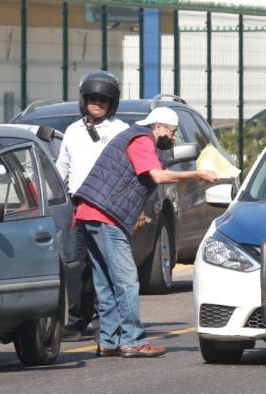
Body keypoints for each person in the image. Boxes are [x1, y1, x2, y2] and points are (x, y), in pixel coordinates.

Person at [73, 107, 218, 358]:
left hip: (89, 213)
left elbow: (130, 180)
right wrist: (196, 174)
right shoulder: (142, 139)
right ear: (158, 127)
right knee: (127, 281)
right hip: (105, 216)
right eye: (171, 132)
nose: (172, 138)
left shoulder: (133, 136)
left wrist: (137, 212)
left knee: (106, 281)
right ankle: (132, 340)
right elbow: (157, 176)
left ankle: (109, 340)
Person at [56, 71, 126, 339]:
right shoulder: (73, 131)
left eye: (103, 99)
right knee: (79, 265)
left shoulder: (120, 131)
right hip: (78, 205)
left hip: (109, 207)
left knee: (107, 265)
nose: (97, 103)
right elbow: (62, 168)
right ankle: (75, 319)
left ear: (112, 103)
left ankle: (104, 319)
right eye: (92, 98)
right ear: (83, 100)